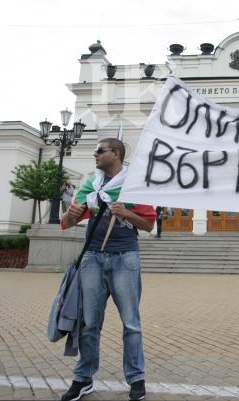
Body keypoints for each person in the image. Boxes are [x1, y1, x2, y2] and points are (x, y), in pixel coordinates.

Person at [60, 138, 155, 401]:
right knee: (90, 323)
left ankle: (136, 378)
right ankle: (83, 378)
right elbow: (67, 222)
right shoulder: (91, 184)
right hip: (92, 258)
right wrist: (72, 213)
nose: (95, 154)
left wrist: (125, 212)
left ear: (115, 154)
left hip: (124, 258)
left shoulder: (133, 184)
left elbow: (148, 224)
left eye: (100, 151)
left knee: (131, 324)